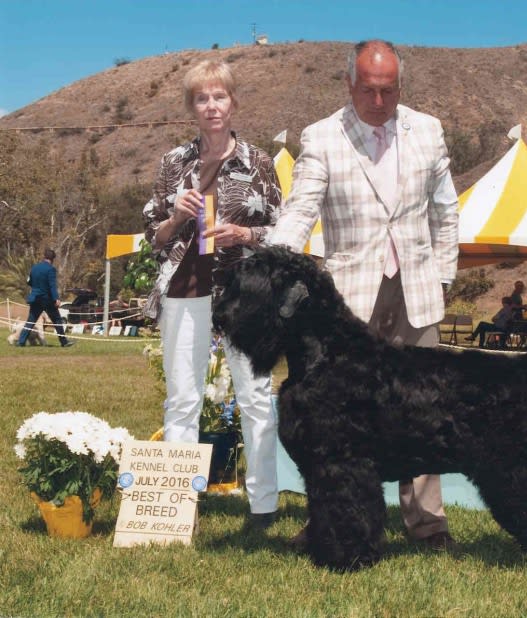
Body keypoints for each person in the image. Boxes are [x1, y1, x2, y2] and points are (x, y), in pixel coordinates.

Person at [270, 40, 459, 550]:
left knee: (423, 411)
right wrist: (275, 260)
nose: (380, 101)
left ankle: (427, 525)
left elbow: (444, 211)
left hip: (417, 291)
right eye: (370, 90)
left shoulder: (429, 130)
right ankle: (330, 523)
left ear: (401, 85)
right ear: (349, 84)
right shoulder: (321, 137)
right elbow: (300, 209)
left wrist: (444, 274)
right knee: (335, 422)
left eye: (389, 90)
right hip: (348, 303)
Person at [142, 60, 282, 532]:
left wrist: (242, 231)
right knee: (182, 398)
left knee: (256, 396)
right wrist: (176, 218)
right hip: (184, 289)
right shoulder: (171, 164)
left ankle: (262, 507)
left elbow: (282, 233)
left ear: (233, 101)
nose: (211, 106)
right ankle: (179, 505)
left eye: (219, 96)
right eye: (202, 98)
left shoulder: (260, 163)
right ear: (192, 107)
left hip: (244, 292)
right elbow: (153, 238)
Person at [16, 248, 74, 348]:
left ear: (44, 257)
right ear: (52, 259)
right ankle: (64, 342)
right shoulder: (50, 269)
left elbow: (28, 281)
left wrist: (36, 288)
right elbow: (52, 285)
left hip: (35, 298)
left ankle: (21, 342)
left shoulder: (34, 267)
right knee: (57, 320)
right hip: (47, 300)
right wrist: (56, 298)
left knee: (30, 321)